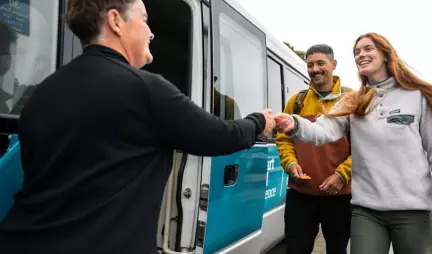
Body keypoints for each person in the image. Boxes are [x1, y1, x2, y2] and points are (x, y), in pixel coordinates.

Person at [0, 0, 275, 253]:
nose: (151, 32)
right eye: (144, 20)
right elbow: (221, 136)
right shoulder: (146, 90)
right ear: (116, 21)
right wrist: (259, 121)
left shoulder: (40, 94)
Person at [275, 32, 432, 254]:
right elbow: (321, 131)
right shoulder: (354, 101)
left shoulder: (418, 97)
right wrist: (293, 123)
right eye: (356, 52)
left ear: (385, 54)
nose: (360, 55)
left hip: (413, 210)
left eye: (368, 49)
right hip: (367, 210)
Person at [275, 44, 352, 254]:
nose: (315, 69)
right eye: (310, 65)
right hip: (301, 195)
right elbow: (283, 139)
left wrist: (342, 175)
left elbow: (365, 148)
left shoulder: (352, 100)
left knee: (338, 250)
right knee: (296, 249)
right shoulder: (297, 101)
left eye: (321, 63)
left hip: (341, 196)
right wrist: (290, 163)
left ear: (333, 64)